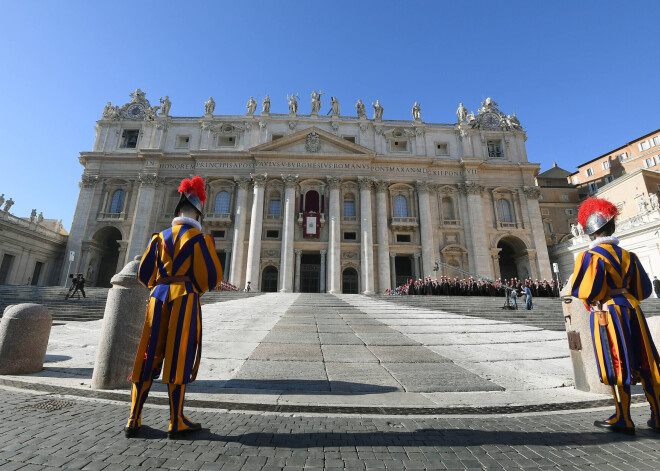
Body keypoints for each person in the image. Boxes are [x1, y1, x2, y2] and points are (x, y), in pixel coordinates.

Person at [125, 176, 222, 439]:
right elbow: (211, 278)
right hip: (185, 299)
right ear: (198, 215)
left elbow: (144, 274)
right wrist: (192, 287)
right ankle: (176, 420)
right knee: (179, 356)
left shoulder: (158, 238)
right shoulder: (201, 240)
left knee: (148, 353)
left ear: (177, 212)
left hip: (158, 298)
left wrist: (160, 285)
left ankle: (134, 417)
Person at [571, 197, 660, 434]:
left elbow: (587, 291)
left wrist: (595, 300)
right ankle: (658, 415)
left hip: (607, 312)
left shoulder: (590, 256)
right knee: (647, 359)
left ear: (590, 233)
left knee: (615, 360)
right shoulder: (629, 255)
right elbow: (644, 289)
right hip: (633, 309)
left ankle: (623, 417)